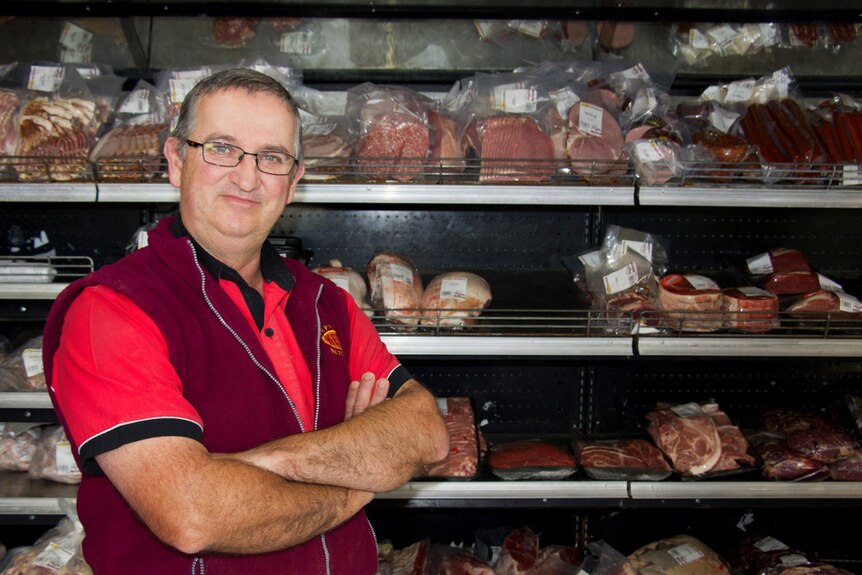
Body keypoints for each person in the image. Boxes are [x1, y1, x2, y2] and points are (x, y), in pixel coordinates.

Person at [41, 68, 450, 575]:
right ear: (175, 160)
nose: (248, 177)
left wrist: (263, 464)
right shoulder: (113, 309)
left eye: (271, 158)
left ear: (294, 180)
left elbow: (427, 436)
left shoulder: (330, 304)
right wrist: (356, 481)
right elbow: (193, 514)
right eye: (221, 148)